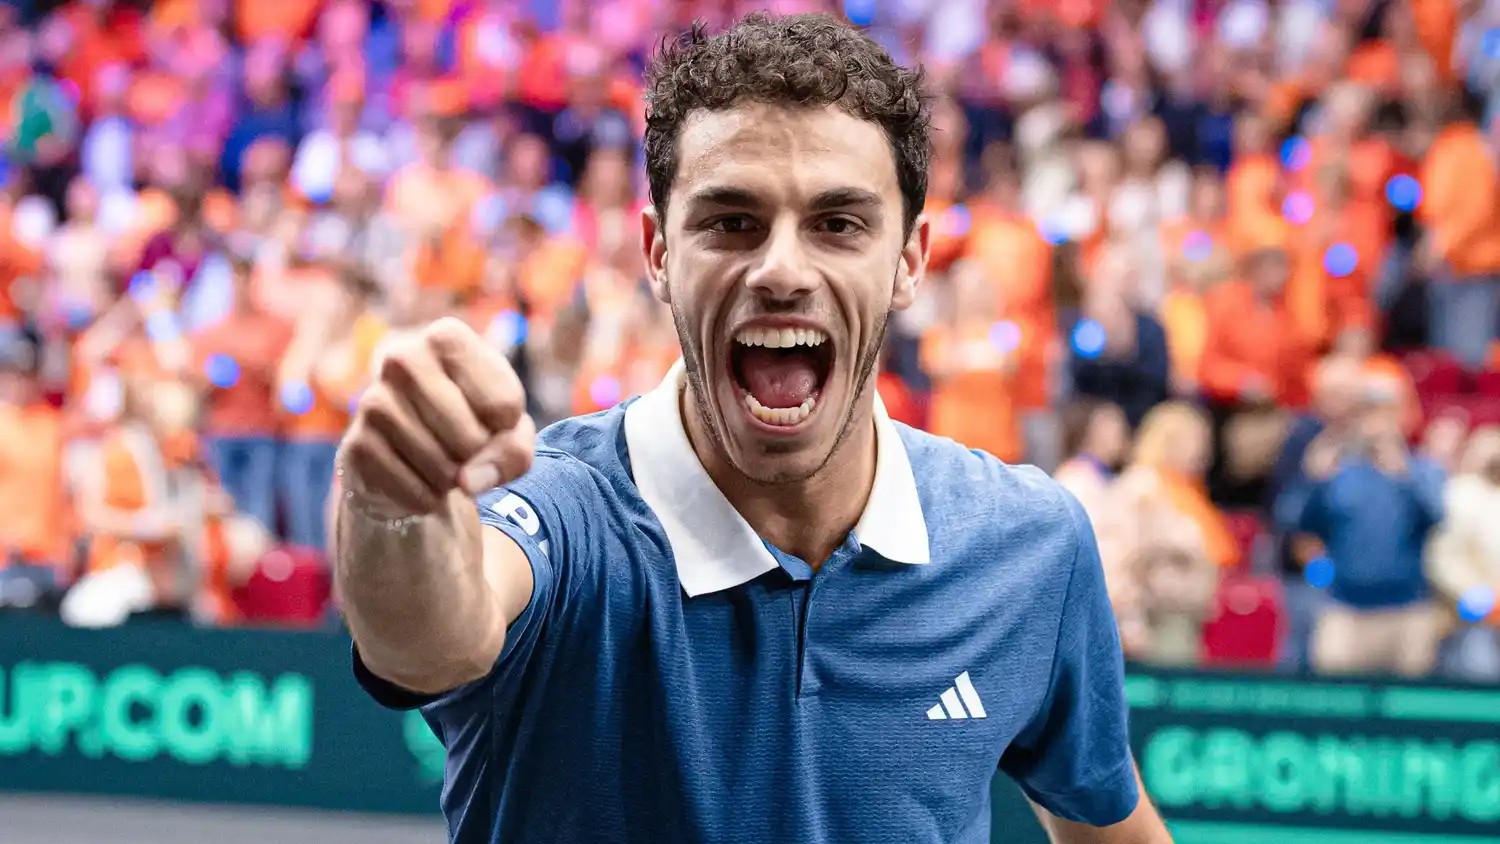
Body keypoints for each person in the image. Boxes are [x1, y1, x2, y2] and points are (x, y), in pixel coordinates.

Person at [333, 14, 1170, 844]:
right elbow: (432, 637)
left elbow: (1109, 818)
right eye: (730, 221)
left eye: (838, 224)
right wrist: (394, 512)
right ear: (659, 253)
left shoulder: (1027, 544)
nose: (780, 269)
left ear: (910, 261)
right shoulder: (561, 512)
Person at [1276, 394, 1446, 677]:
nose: (1378, 425)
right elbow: (1294, 521)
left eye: (1385, 414)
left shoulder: (1422, 470)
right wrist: (1311, 480)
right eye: (1369, 415)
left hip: (1409, 610)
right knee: (1337, 703)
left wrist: (1404, 477)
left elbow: (1438, 519)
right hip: (1346, 608)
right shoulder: (1341, 474)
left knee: (1410, 710)